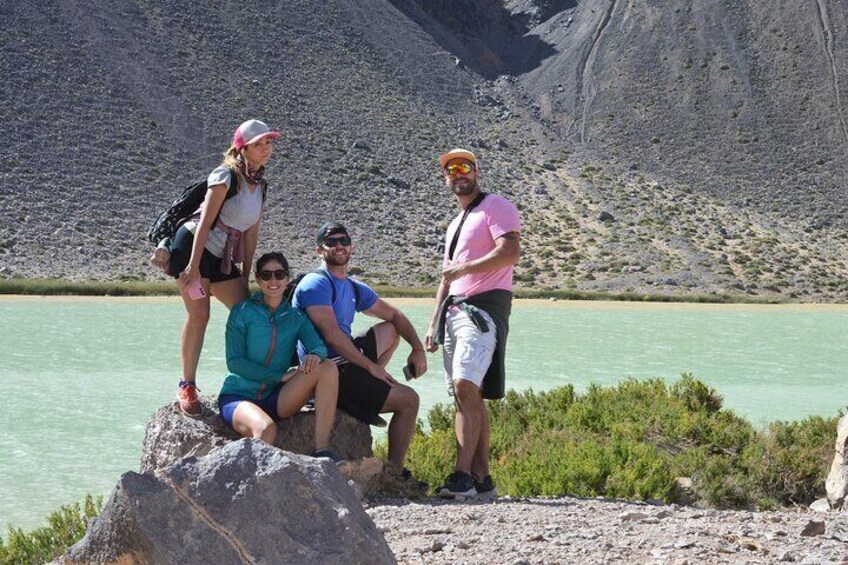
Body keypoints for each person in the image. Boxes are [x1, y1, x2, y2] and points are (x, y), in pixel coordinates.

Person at [151, 119, 279, 417]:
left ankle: (253, 381)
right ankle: (187, 384)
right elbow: (205, 222)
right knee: (200, 314)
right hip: (192, 248)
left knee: (248, 310)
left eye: (268, 142)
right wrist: (193, 267)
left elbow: (251, 232)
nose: (266, 148)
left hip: (222, 256)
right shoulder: (225, 176)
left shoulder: (259, 184)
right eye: (259, 143)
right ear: (242, 148)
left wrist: (246, 275)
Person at [424, 148, 521, 499]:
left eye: (464, 167)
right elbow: (446, 278)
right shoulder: (456, 223)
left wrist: (464, 269)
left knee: (466, 385)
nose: (458, 173)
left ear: (476, 171)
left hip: (481, 311)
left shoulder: (496, 206)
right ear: (445, 178)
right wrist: (434, 323)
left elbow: (509, 252)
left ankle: (461, 476)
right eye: (451, 170)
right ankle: (482, 480)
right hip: (454, 311)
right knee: (469, 395)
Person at [292, 222, 426, 470]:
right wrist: (371, 368)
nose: (339, 246)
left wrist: (417, 348)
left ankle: (367, 391)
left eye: (343, 240)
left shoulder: (351, 286)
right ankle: (395, 470)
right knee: (409, 400)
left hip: (347, 359)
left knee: (390, 329)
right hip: (327, 368)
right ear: (319, 250)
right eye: (331, 242)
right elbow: (331, 336)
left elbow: (395, 315)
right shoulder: (316, 284)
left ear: (352, 246)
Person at [217, 252, 340, 459]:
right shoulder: (242, 311)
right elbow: (234, 362)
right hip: (239, 396)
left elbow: (319, 347)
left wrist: (314, 356)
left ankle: (322, 450)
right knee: (266, 429)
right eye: (266, 275)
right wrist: (279, 376)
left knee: (328, 367)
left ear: (287, 278)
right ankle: (252, 484)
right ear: (258, 279)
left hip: (276, 398)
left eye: (279, 274)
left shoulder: (295, 317)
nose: (273, 280)